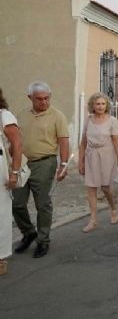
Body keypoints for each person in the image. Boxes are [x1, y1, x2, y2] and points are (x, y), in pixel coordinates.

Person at [12, 81, 69, 258]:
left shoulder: (57, 116)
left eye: (46, 98)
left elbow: (64, 142)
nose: (44, 102)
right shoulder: (21, 115)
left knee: (42, 204)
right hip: (21, 163)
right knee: (17, 203)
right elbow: (15, 141)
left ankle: (43, 240)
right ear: (30, 98)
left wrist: (64, 165)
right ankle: (29, 232)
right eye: (39, 99)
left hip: (45, 163)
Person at [78, 92, 118, 232]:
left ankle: (114, 208)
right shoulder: (88, 119)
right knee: (91, 188)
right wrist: (81, 161)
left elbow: (116, 143)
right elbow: (83, 142)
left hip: (107, 155)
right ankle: (93, 220)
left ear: (107, 105)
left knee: (105, 188)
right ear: (92, 105)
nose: (100, 106)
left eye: (103, 104)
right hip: (91, 156)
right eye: (97, 104)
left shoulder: (112, 121)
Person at [0, 88, 23, 274]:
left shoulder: (4, 116)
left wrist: (14, 173)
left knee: (1, 212)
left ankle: (0, 257)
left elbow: (17, 145)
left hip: (0, 169)